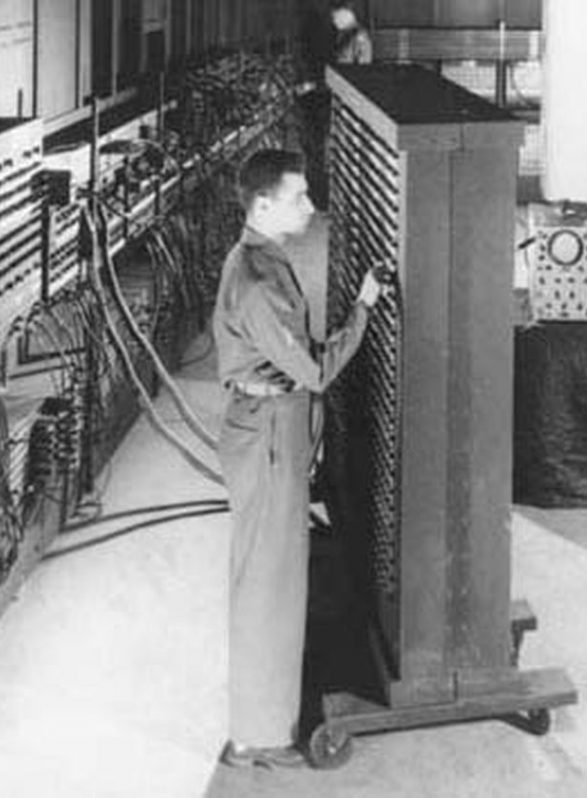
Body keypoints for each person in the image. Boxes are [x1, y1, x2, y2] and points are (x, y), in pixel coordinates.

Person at [212, 149, 382, 769]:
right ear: (263, 205)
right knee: (269, 585)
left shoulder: (263, 257)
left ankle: (261, 724)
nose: (310, 207)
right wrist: (363, 310)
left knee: (274, 579)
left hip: (272, 427)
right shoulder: (257, 280)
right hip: (268, 438)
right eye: (298, 197)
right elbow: (313, 370)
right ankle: (255, 738)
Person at [297, 0, 373, 209]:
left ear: (347, 14)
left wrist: (314, 85)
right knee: (320, 149)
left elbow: (354, 77)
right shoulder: (342, 36)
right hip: (330, 100)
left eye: (335, 16)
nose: (333, 20)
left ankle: (328, 199)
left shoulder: (359, 38)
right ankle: (322, 198)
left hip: (342, 102)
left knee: (330, 151)